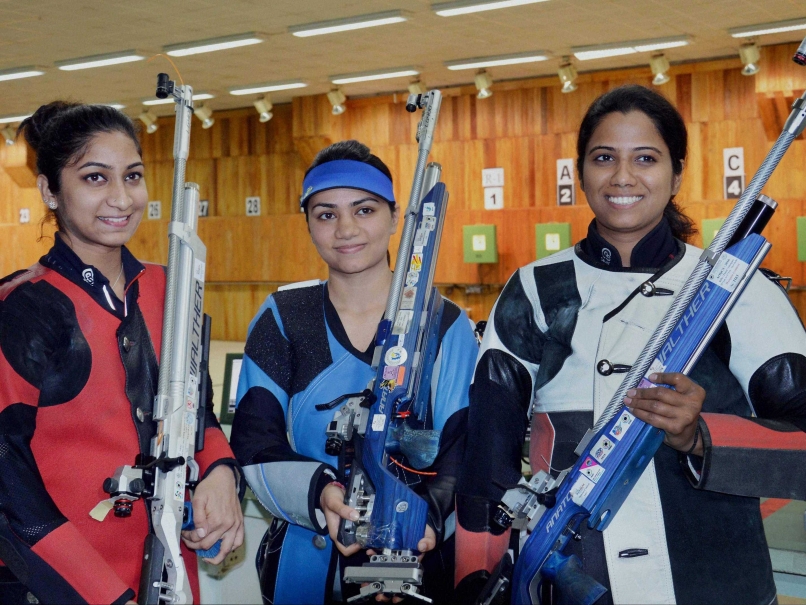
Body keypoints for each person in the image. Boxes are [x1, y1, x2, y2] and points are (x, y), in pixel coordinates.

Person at [455, 85, 806, 605]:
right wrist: (474, 577)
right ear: (580, 173)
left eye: (646, 158)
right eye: (604, 158)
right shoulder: (533, 288)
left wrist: (702, 436)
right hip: (571, 575)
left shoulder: (738, 290)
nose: (623, 177)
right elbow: (487, 454)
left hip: (718, 579)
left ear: (677, 174)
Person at [0, 102, 244, 604]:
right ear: (50, 190)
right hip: (59, 585)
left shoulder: (168, 285)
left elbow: (198, 406)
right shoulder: (23, 307)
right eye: (94, 178)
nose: (120, 197)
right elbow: (7, 477)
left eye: (132, 176)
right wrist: (102, 594)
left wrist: (220, 470)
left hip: (168, 570)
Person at [229, 140, 478, 604]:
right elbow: (254, 444)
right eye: (326, 214)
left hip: (418, 565)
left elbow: (461, 449)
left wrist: (419, 526)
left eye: (363, 209)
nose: (345, 229)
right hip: (305, 565)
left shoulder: (445, 325)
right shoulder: (284, 315)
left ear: (394, 215)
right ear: (307, 223)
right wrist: (322, 493)